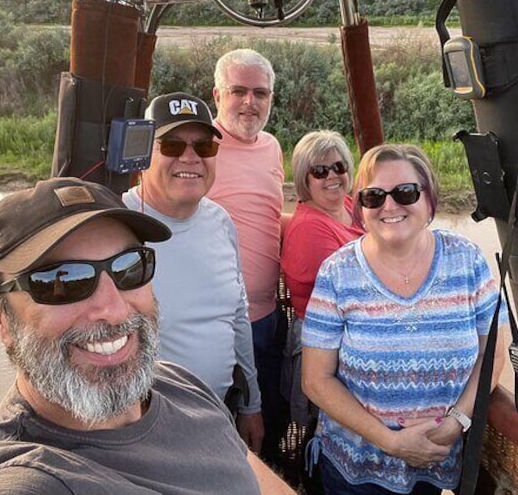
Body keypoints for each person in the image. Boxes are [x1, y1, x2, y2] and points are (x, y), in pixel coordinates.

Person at [0, 177, 295, 495]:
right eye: (62, 281)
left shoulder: (178, 383)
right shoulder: (28, 477)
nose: (113, 309)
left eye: (129, 267)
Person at [301, 144, 508, 494]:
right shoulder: (338, 273)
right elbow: (315, 379)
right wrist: (390, 441)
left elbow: (495, 354)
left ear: (429, 200)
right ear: (361, 209)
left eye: (406, 192)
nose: (390, 205)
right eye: (374, 197)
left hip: (437, 458)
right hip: (356, 468)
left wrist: (457, 421)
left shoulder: (466, 261)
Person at [121, 91, 264, 452]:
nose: (190, 157)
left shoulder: (221, 221)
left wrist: (252, 404)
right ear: (142, 153)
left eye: (204, 147)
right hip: (146, 432)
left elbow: (237, 317)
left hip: (220, 415)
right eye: (171, 145)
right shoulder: (115, 225)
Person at [207, 48, 289, 462]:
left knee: (271, 418)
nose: (249, 102)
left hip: (269, 317)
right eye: (238, 91)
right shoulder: (196, 151)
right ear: (217, 95)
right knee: (220, 432)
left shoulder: (272, 148)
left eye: (260, 92)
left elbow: (266, 213)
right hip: (219, 326)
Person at [280, 130, 365, 426]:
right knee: (331, 426)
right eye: (320, 171)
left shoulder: (350, 205)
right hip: (325, 346)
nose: (332, 176)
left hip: (353, 337)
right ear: (305, 178)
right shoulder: (310, 229)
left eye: (339, 167)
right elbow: (349, 294)